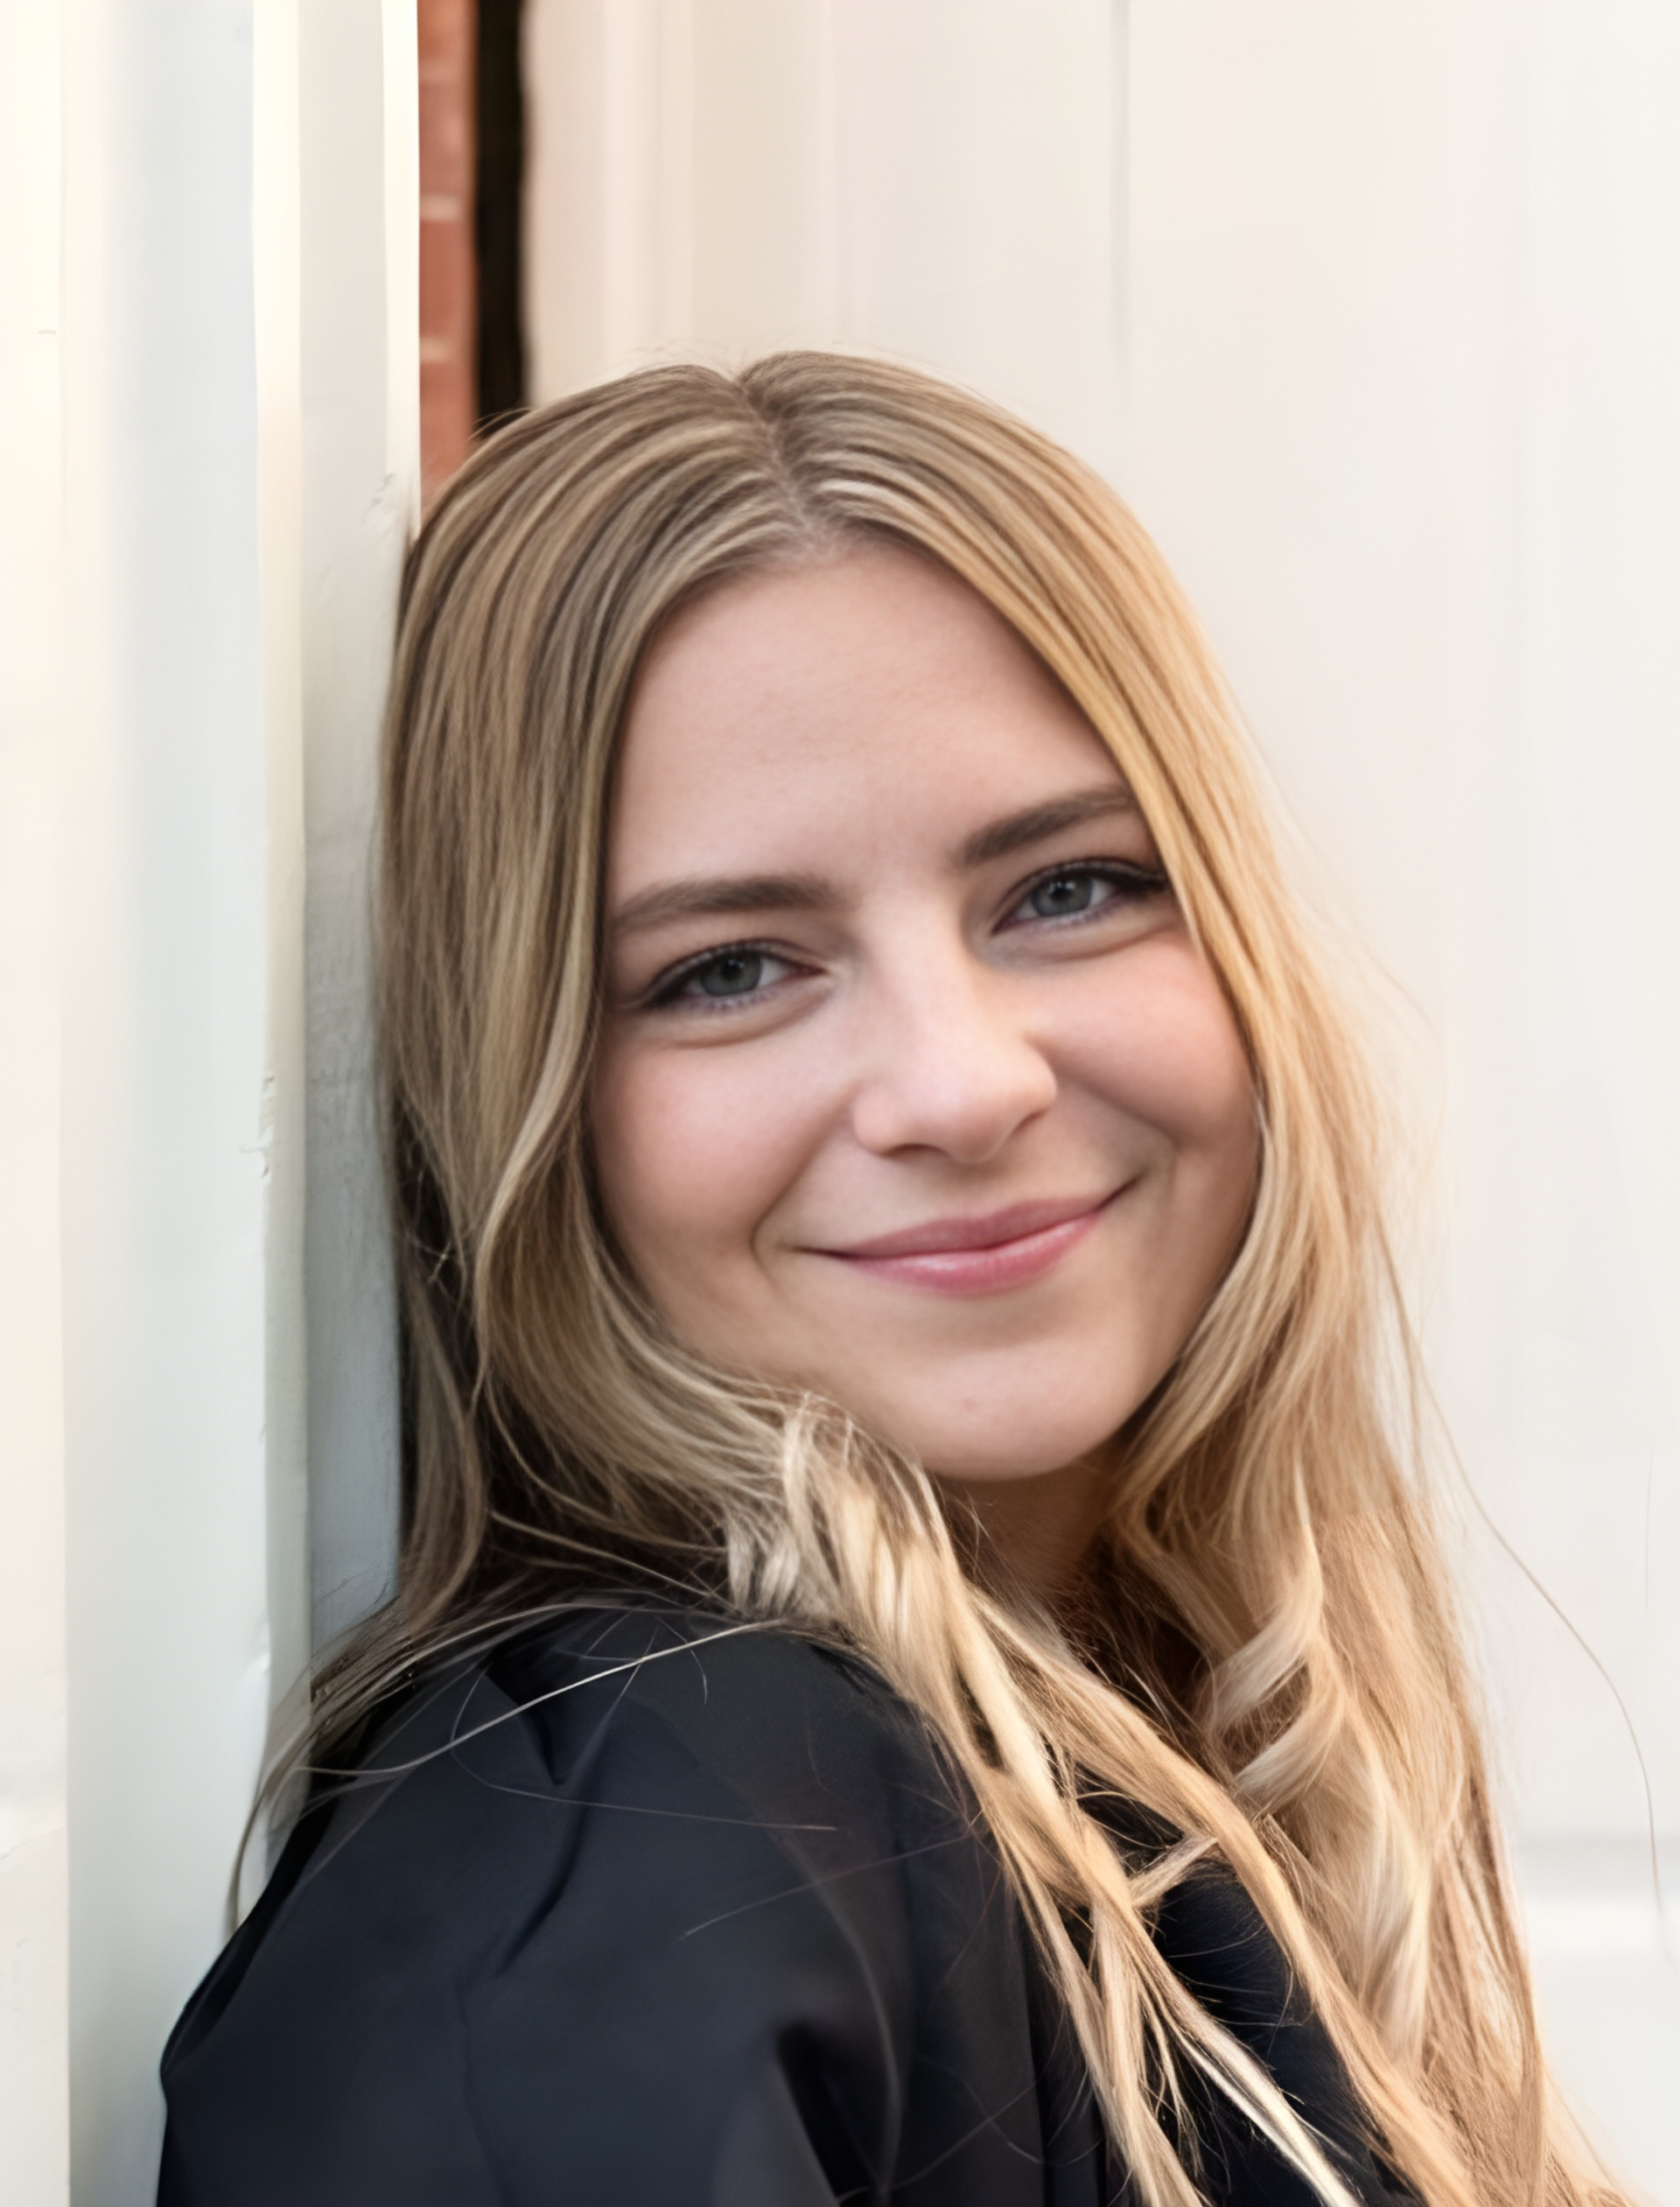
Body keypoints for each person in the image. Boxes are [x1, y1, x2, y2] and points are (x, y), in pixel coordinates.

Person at [156, 355, 1617, 2207]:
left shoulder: (1123, 1745)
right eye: (728, 968)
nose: (966, 1082)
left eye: (1069, 888)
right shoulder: (640, 1825)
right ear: (523, 1096)